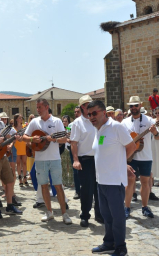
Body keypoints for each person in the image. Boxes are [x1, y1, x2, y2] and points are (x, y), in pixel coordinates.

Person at [88, 100, 136, 256]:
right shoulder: (98, 130)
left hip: (115, 181)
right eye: (89, 114)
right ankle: (109, 243)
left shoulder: (116, 127)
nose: (91, 117)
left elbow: (131, 147)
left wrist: (122, 163)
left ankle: (121, 247)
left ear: (103, 112)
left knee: (117, 217)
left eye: (94, 113)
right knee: (106, 216)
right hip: (101, 181)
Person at [23, 98, 72, 224]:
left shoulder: (56, 121)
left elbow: (64, 138)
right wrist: (32, 139)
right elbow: (24, 137)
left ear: (46, 107)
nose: (38, 110)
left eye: (40, 107)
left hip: (54, 158)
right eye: (37, 107)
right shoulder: (34, 122)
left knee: (58, 186)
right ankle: (49, 212)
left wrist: (53, 139)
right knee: (43, 186)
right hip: (40, 159)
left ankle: (64, 214)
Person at [122, 96, 159, 219]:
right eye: (131, 106)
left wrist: (154, 132)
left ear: (140, 105)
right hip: (130, 157)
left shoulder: (150, 121)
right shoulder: (125, 122)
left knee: (145, 182)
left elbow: (158, 137)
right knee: (129, 182)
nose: (133, 108)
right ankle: (126, 207)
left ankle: (144, 207)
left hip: (146, 156)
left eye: (135, 105)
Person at [70, 95, 102, 227]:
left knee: (100, 188)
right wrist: (76, 160)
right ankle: (85, 215)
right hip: (86, 160)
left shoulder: (98, 120)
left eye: (90, 104)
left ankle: (100, 214)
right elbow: (73, 143)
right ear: (82, 107)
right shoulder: (78, 123)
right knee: (86, 190)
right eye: (86, 104)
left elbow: (101, 137)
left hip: (99, 158)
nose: (89, 106)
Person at [63, 114, 80, 199]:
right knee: (75, 171)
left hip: (84, 150)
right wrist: (69, 140)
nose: (76, 114)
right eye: (75, 112)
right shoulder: (71, 125)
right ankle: (77, 191)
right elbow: (68, 135)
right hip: (72, 148)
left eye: (78, 112)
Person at [13, 114, 28, 187]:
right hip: (17, 147)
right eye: (19, 118)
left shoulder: (24, 127)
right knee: (18, 163)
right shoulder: (13, 128)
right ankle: (20, 178)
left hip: (23, 146)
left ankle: (25, 178)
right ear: (16, 119)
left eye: (21, 118)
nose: (21, 119)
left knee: (24, 163)